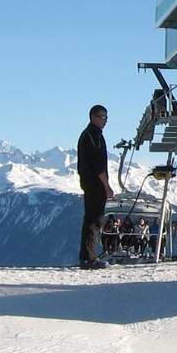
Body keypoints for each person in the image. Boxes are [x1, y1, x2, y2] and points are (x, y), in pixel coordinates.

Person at [77, 105, 113, 270]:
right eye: (102, 117)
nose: (104, 121)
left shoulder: (86, 135)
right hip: (95, 183)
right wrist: (106, 185)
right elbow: (99, 164)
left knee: (90, 219)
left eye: (106, 117)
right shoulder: (94, 136)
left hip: (87, 181)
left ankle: (88, 256)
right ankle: (90, 257)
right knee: (94, 220)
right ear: (93, 117)